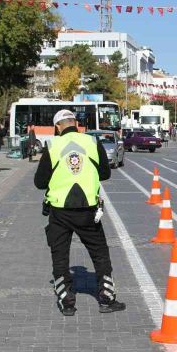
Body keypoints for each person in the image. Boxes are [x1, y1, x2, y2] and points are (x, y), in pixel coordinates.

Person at [34, 109, 125, 316]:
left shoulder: (52, 145)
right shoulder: (92, 143)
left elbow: (39, 182)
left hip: (59, 210)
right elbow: (105, 173)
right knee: (100, 252)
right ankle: (106, 299)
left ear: (57, 127)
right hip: (88, 209)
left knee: (60, 255)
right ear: (76, 123)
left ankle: (67, 303)